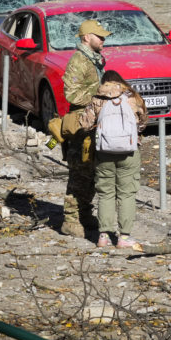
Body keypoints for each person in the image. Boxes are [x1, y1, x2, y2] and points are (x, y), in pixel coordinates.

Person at [78, 70, 147, 249]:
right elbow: (143, 122)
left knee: (106, 193)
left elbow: (84, 124)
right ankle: (124, 237)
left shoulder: (97, 99)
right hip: (129, 153)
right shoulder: (133, 97)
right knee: (126, 194)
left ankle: (103, 236)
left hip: (104, 153)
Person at [60, 19, 110, 238]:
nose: (103, 40)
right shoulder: (79, 61)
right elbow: (70, 94)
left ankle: (85, 212)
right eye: (99, 36)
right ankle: (70, 219)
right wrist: (98, 98)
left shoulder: (94, 59)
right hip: (81, 125)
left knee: (91, 172)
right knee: (79, 172)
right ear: (86, 37)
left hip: (94, 123)